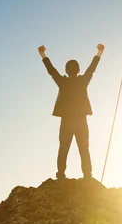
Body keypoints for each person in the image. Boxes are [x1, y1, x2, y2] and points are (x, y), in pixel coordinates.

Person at [38, 44, 104, 180]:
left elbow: (51, 70)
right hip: (81, 120)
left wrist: (43, 54)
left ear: (66, 70)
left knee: (63, 148)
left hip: (66, 121)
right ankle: (87, 175)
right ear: (79, 70)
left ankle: (61, 174)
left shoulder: (62, 81)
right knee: (84, 149)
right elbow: (92, 69)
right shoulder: (83, 81)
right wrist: (99, 52)